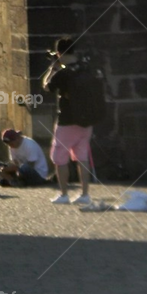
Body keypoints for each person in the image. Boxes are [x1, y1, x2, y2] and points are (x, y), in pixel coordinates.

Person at [42, 36, 93, 206]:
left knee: (59, 157)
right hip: (87, 120)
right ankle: (85, 193)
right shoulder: (86, 68)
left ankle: (64, 194)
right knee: (82, 156)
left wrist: (52, 69)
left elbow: (46, 85)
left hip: (67, 121)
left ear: (59, 52)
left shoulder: (63, 73)